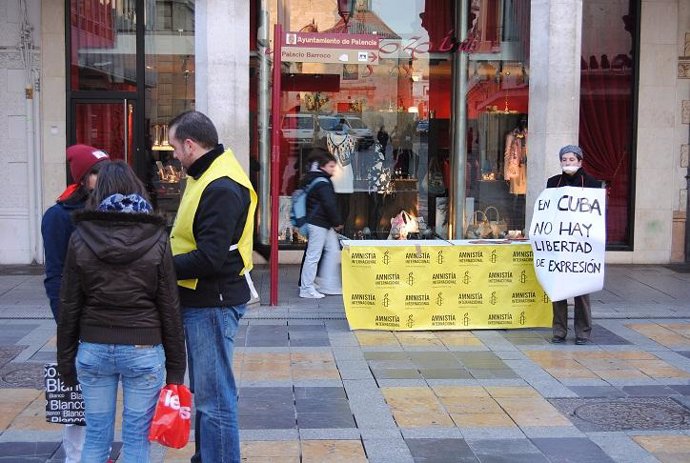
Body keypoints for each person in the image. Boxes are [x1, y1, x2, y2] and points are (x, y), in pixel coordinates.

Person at [56, 160, 186, 462]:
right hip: (143, 349)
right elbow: (169, 305)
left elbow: (69, 304)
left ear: (97, 191)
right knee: (137, 442)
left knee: (95, 439)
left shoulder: (80, 236)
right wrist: (177, 369)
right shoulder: (157, 238)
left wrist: (65, 360)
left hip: (93, 348)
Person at [167, 111, 257, 463]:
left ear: (190, 145)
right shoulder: (207, 176)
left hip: (212, 304)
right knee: (207, 393)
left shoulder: (220, 186)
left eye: (175, 147)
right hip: (206, 301)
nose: (173, 154)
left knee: (214, 398)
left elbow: (209, 258)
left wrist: (158, 265)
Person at [41, 143, 109, 463]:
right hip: (77, 317)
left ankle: (99, 453)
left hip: (109, 318)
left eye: (105, 169)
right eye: (95, 171)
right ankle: (76, 457)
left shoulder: (113, 210)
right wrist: (64, 321)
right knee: (76, 398)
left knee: (102, 397)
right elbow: (54, 275)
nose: (102, 176)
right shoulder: (58, 216)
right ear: (82, 178)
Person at [547, 145, 603, 345]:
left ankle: (583, 332)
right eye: (564, 159)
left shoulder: (592, 184)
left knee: (581, 292)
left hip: (581, 247)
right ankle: (559, 331)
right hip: (559, 245)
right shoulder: (553, 183)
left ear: (580, 161)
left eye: (571, 159)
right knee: (558, 290)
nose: (567, 163)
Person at [299, 148, 344, 298]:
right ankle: (306, 288)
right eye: (331, 166)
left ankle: (327, 283)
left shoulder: (314, 178)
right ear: (322, 166)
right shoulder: (323, 182)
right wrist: (337, 221)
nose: (333, 169)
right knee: (314, 255)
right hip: (318, 223)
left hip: (322, 223)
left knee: (332, 251)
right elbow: (329, 204)